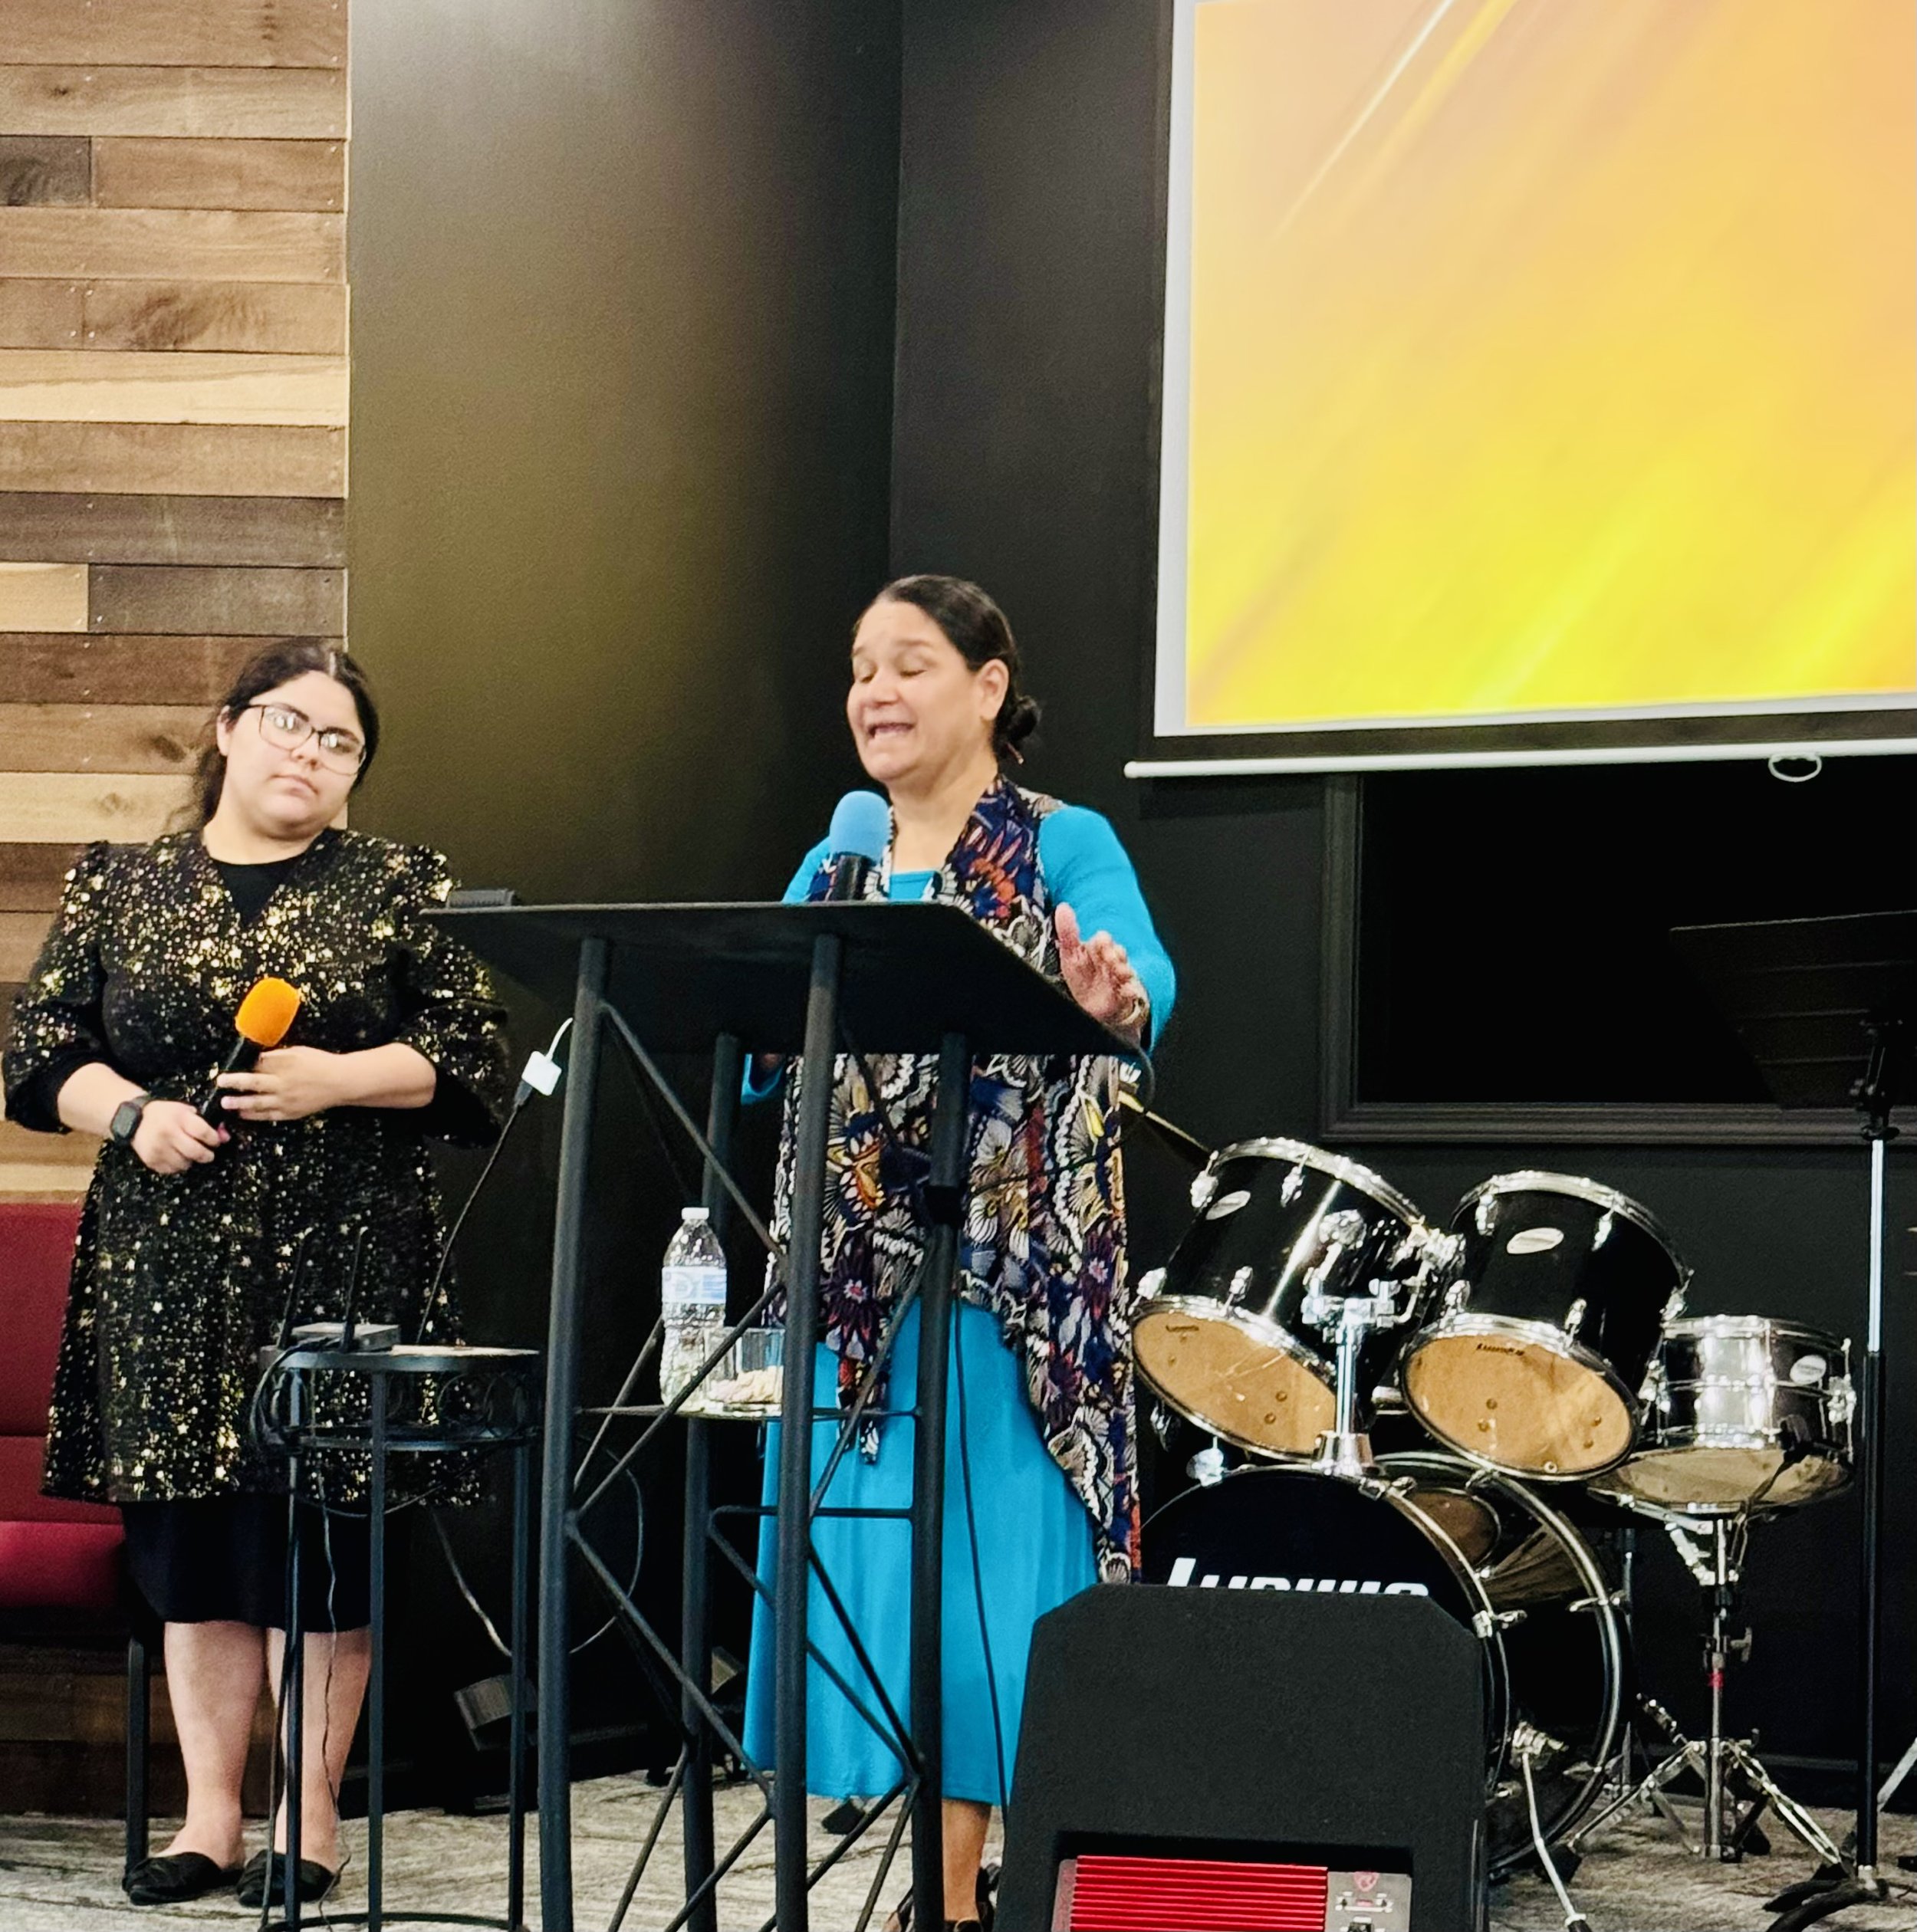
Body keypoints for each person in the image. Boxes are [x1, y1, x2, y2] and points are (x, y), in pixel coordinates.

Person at [4, 642, 509, 1908]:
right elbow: (41, 1051)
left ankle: (312, 1815)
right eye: (291, 725)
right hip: (165, 1265)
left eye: (341, 744)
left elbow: (476, 1057)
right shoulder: (123, 881)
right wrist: (128, 1115)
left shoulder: (396, 882)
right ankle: (210, 1819)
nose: (312, 755)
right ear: (229, 730)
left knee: (322, 1541)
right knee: (192, 1549)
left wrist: (337, 1076)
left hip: (345, 1255)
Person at [740, 575, 1176, 1932]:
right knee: (861, 1572)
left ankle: (952, 1892)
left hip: (1012, 1282)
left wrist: (1114, 998)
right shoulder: (840, 854)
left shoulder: (1064, 838)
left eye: (910, 663)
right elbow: (768, 1044)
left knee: (985, 1592)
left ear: (989, 687)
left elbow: (1141, 976)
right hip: (854, 1285)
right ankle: (893, 1876)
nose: (875, 690)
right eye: (860, 666)